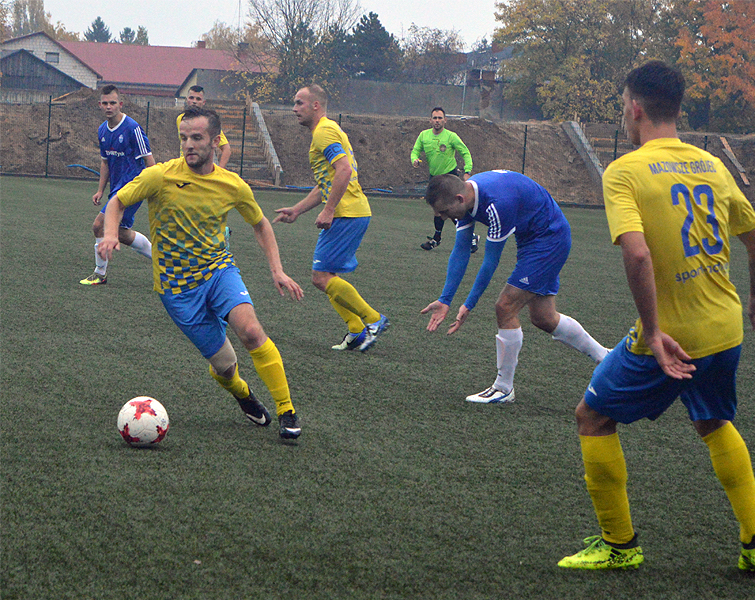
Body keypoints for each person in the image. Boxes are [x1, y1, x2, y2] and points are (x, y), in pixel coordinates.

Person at [557, 61, 755, 571]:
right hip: (725, 327)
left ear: (635, 109)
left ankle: (620, 546)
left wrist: (654, 332)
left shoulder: (625, 171)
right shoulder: (711, 165)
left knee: (592, 417)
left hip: (672, 336)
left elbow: (637, 255)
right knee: (714, 419)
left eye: (621, 106)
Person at [98, 106, 304, 440]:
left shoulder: (232, 185)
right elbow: (117, 202)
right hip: (177, 289)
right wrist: (110, 233)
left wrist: (277, 271)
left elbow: (260, 224)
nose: (189, 144)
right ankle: (243, 395)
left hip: (218, 271)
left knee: (251, 332)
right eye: (184, 138)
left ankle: (286, 410)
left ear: (215, 141)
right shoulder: (160, 176)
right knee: (225, 365)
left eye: (197, 137)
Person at [421, 170, 608, 403]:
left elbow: (490, 262)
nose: (441, 216)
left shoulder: (496, 204)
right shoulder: (466, 199)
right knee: (544, 318)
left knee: (505, 306)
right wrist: (445, 299)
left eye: (444, 211)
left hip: (549, 238)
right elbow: (461, 251)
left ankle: (503, 388)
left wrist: (468, 305)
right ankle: (606, 358)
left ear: (459, 199)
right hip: (531, 238)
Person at [273, 84, 389, 353]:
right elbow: (327, 181)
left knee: (320, 277)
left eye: (300, 103)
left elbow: (344, 170)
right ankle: (356, 330)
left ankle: (372, 320)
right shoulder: (328, 130)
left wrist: (329, 210)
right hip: (351, 212)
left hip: (347, 213)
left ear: (316, 105)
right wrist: (298, 209)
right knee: (327, 275)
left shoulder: (324, 132)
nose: (294, 108)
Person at [80, 84, 155, 285]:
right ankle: (162, 261)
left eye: (113, 103)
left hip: (133, 188)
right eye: (105, 103)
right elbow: (105, 162)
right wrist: (100, 190)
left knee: (99, 225)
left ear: (120, 104)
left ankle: (100, 273)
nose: (109, 107)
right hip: (116, 189)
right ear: (99, 105)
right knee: (119, 233)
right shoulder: (102, 130)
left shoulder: (132, 128)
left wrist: (153, 189)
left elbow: (150, 161)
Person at [411, 107, 478, 253]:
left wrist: (467, 171)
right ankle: (437, 238)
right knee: (437, 210)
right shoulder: (424, 135)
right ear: (430, 120)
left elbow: (465, 152)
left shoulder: (451, 136)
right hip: (434, 179)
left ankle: (470, 237)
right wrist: (414, 159)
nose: (437, 121)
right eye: (434, 118)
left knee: (452, 210)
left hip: (450, 178)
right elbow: (415, 150)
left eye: (440, 118)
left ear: (445, 120)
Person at [177, 85, 231, 169]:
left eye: (198, 99)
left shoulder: (207, 122)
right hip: (183, 169)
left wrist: (220, 172)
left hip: (199, 170)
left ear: (203, 102)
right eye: (191, 98)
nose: (194, 101)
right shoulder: (180, 119)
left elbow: (226, 149)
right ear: (187, 100)